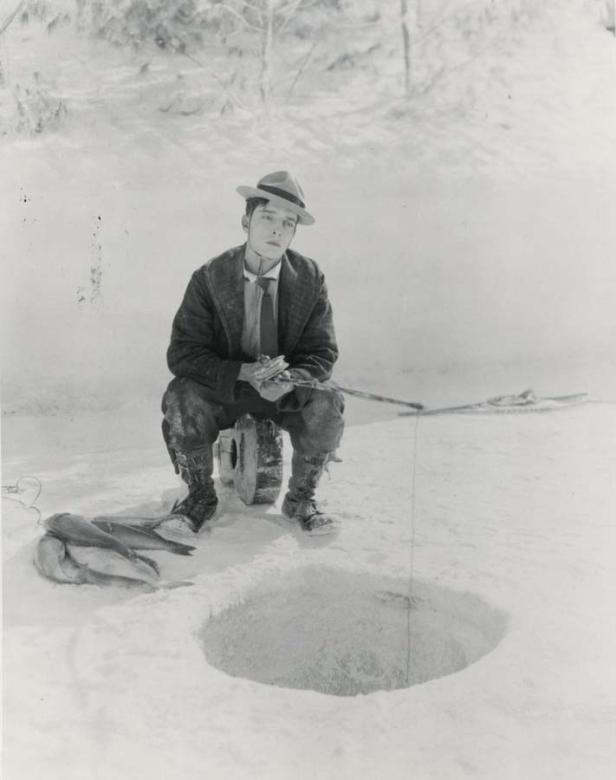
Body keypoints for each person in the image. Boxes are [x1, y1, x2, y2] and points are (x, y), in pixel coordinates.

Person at [161, 171, 345, 535]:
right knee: (182, 396)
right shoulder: (210, 277)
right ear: (246, 221)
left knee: (329, 401)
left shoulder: (310, 277)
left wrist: (291, 380)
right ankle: (199, 497)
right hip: (226, 390)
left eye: (287, 223)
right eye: (267, 218)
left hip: (283, 394)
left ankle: (302, 498)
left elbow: (322, 353)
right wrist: (241, 373)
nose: (277, 230)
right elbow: (183, 353)